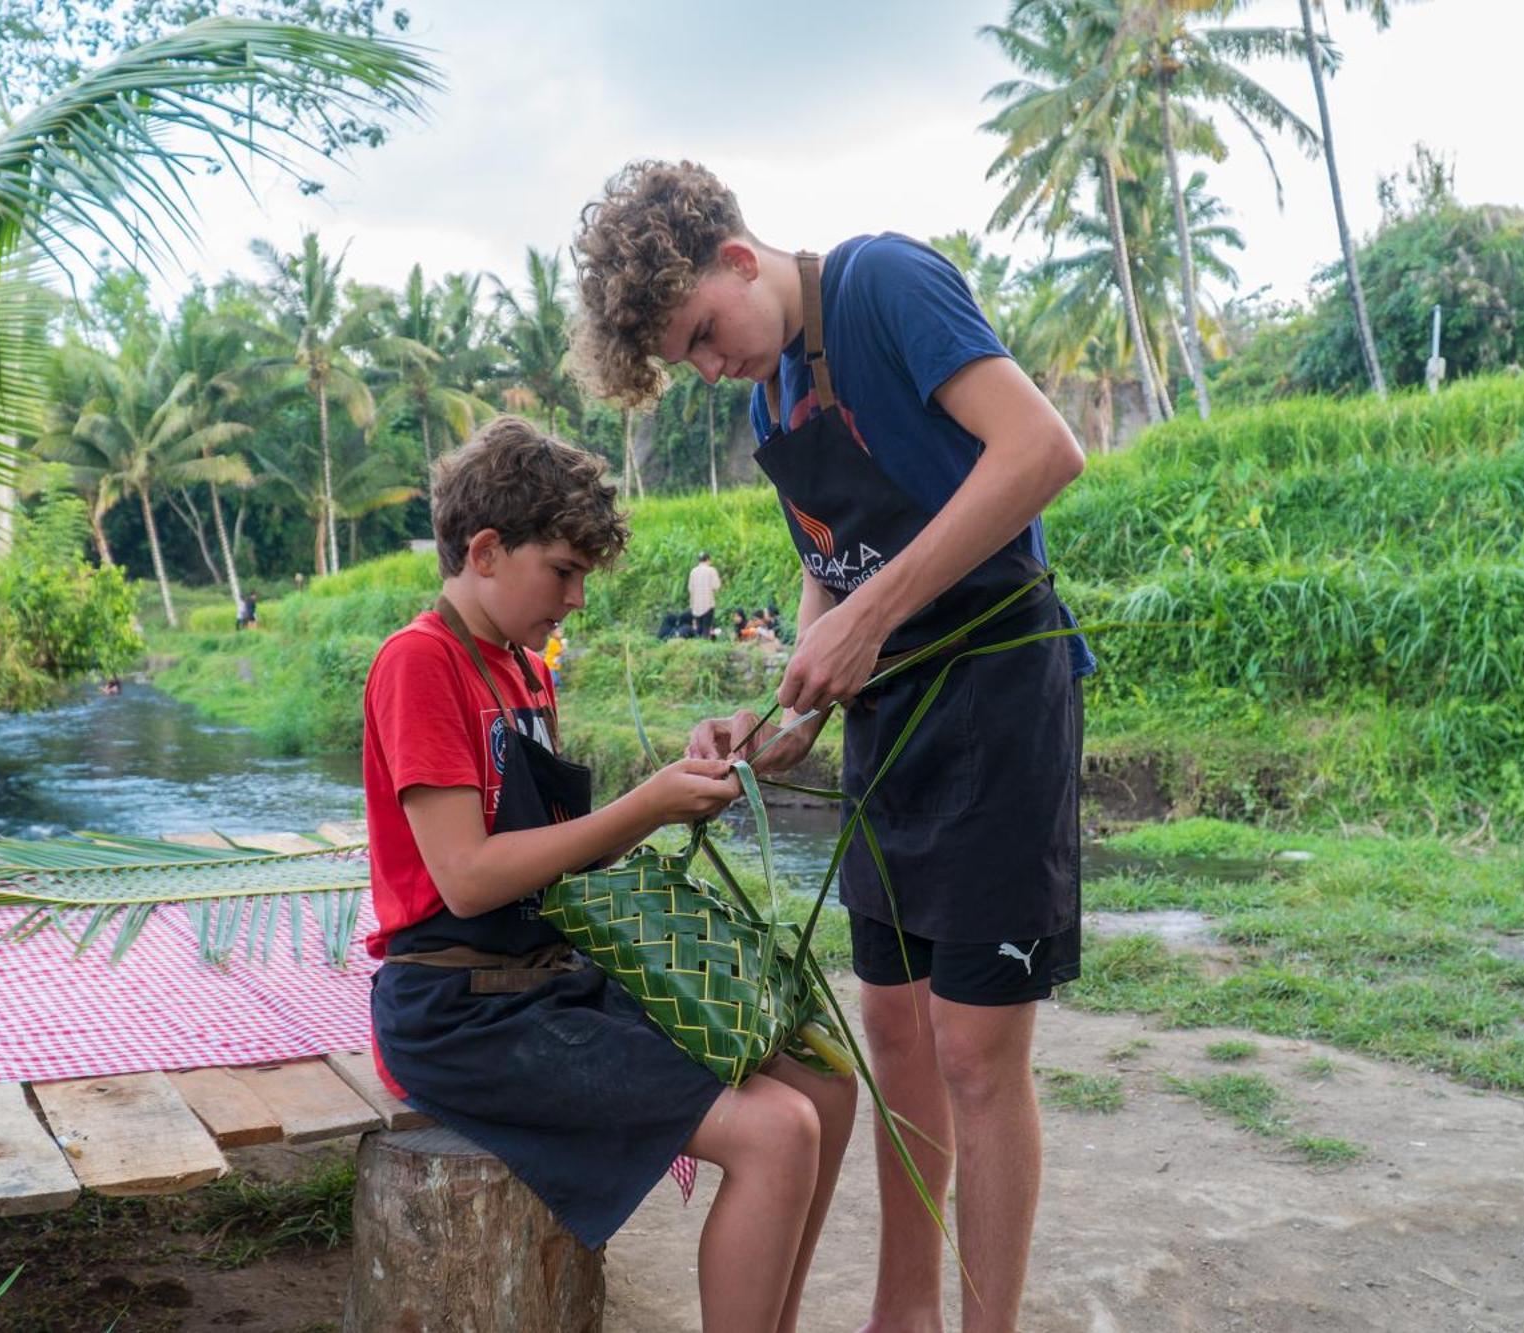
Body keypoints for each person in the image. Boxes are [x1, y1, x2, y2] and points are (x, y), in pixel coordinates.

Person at [574, 160, 1095, 1333]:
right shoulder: (771, 397)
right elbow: (830, 561)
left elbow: (1040, 452)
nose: (711, 368)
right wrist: (786, 713)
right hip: (888, 727)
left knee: (972, 1051)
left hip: (997, 696)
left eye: (704, 333)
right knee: (895, 1034)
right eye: (686, 361)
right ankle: (897, 1313)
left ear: (738, 259)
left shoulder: (882, 284)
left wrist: (869, 618)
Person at [363, 416, 854, 1332]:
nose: (578, 598)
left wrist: (691, 775)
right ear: (485, 550)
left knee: (825, 1085)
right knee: (777, 1130)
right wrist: (646, 806)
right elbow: (468, 879)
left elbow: (562, 864)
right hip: (460, 1009)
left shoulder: (522, 672)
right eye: (564, 571)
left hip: (548, 976)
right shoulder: (419, 664)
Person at [688, 550, 722, 637]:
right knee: (706, 629)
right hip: (708, 605)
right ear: (708, 559)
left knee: (698, 630)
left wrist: (691, 605)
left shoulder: (693, 572)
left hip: (696, 606)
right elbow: (716, 586)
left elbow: (690, 589)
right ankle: (705, 645)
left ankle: (698, 646)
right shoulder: (711, 570)